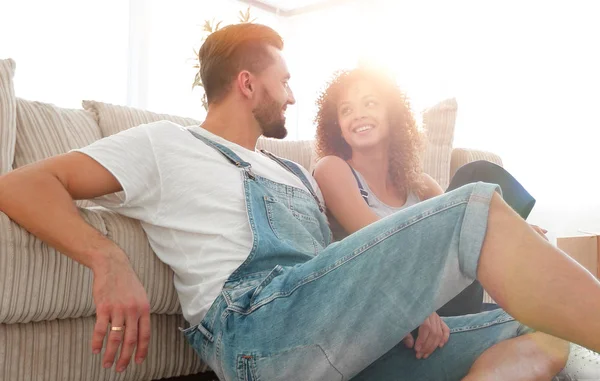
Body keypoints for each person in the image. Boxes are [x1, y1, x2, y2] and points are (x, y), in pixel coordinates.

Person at [1, 23, 600, 381]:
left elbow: (341, 263)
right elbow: (19, 184)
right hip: (261, 329)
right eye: (284, 81)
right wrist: (107, 259)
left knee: (541, 333)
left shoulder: (289, 169)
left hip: (335, 328)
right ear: (247, 83)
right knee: (478, 205)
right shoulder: (167, 144)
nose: (291, 96)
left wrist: (402, 298)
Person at [312, 67, 600, 379]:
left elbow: (467, 214)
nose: (358, 115)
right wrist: (418, 306)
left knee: (479, 180)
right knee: (475, 180)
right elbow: (377, 245)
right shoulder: (333, 169)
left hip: (448, 297)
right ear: (337, 126)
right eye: (346, 109)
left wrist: (512, 230)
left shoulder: (417, 183)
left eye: (370, 103)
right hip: (395, 306)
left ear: (392, 115)